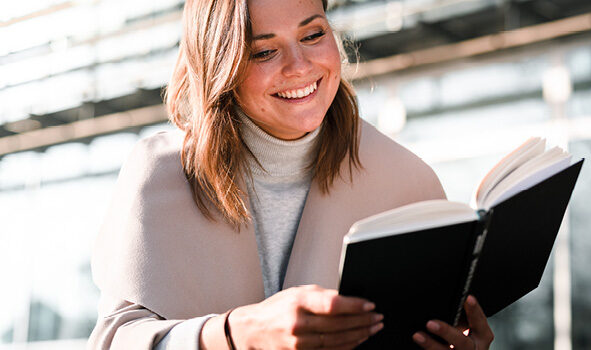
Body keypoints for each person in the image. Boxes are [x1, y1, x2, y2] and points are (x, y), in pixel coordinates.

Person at [87, 0, 495, 349]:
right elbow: (118, 340)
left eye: (313, 35)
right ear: (221, 66)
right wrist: (236, 334)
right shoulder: (162, 174)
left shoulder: (408, 182)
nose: (300, 67)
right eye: (264, 52)